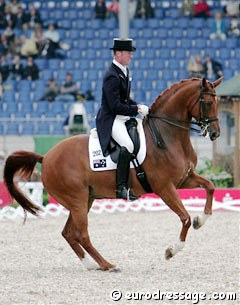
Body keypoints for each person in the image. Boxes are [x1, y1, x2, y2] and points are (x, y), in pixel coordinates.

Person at [96, 38, 149, 201]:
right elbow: (115, 107)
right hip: (112, 119)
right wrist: (136, 109)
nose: (131, 56)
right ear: (118, 53)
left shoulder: (124, 70)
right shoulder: (112, 75)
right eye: (128, 53)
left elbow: (124, 99)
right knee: (128, 144)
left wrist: (138, 106)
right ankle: (121, 188)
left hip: (122, 116)